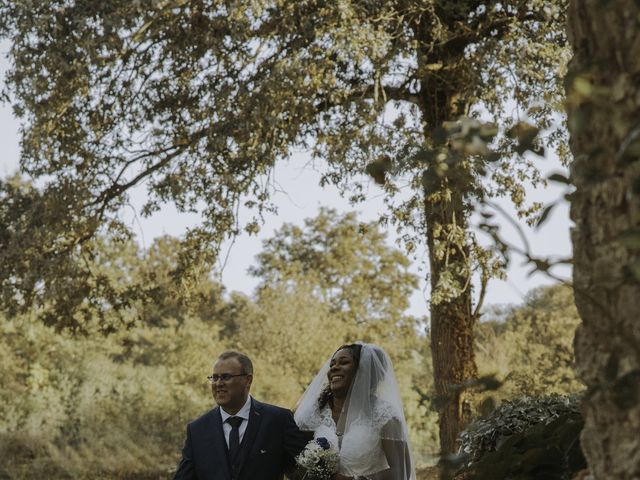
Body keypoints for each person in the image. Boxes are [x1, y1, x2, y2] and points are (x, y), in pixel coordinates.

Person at [173, 351, 307, 480]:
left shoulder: (278, 421)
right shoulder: (197, 430)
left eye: (226, 377)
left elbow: (307, 471)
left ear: (248, 380)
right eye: (214, 377)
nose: (218, 383)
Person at [294, 343, 416, 480]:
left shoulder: (384, 415)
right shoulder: (315, 413)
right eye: (332, 364)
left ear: (363, 371)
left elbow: (401, 471)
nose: (334, 367)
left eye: (344, 362)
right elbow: (295, 462)